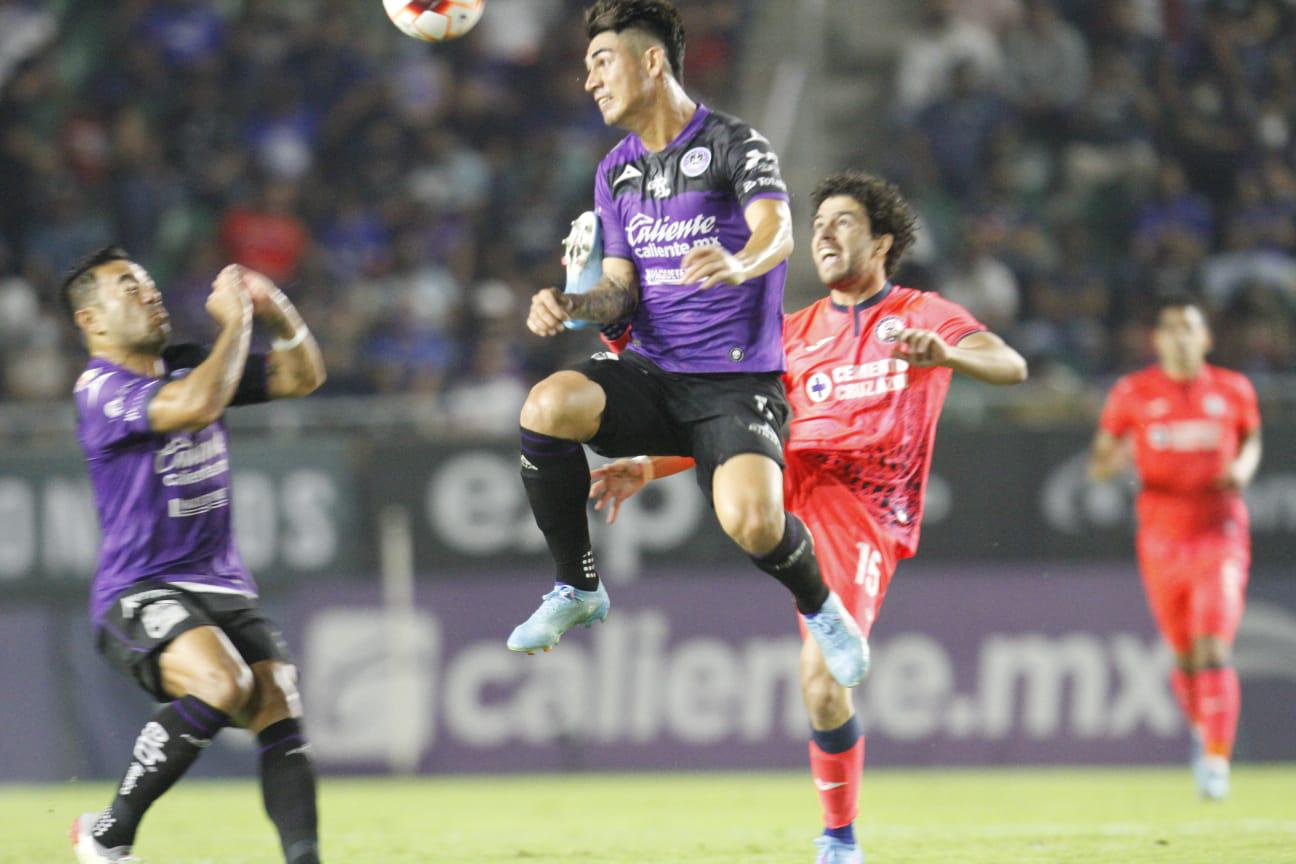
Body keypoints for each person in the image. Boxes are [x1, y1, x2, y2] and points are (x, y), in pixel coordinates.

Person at [588, 172, 1028, 864]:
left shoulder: (920, 313)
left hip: (862, 510)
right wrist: (648, 465)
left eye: (842, 222)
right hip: (793, 491)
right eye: (818, 224)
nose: (824, 233)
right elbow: (737, 423)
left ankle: (840, 840)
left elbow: (1009, 365)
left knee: (822, 687)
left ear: (882, 244)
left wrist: (946, 353)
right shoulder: (790, 334)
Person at [508, 0, 868, 689]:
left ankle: (822, 608)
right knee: (547, 406)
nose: (590, 80)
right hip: (651, 373)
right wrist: (572, 304)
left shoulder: (735, 143)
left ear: (651, 62)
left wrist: (738, 262)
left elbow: (778, 232)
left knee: (753, 522)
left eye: (602, 61)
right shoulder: (615, 171)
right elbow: (620, 289)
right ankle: (577, 586)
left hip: (736, 384)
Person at [61, 246, 327, 864]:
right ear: (91, 320)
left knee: (278, 696)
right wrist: (237, 323)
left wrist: (274, 308)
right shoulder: (100, 389)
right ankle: (108, 834)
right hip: (139, 589)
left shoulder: (186, 364)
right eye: (130, 288)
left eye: (150, 283)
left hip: (221, 584)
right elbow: (198, 405)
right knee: (221, 681)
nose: (150, 294)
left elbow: (302, 377)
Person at [1089, 297, 1261, 800]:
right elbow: (1100, 460)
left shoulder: (1234, 389)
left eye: (1190, 329)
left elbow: (1251, 440)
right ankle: (1202, 732)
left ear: (1205, 339)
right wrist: (1111, 461)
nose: (1181, 337)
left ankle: (1217, 759)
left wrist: (1243, 468)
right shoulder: (1132, 392)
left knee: (1213, 645)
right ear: (1158, 340)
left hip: (1219, 531)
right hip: (1161, 537)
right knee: (1184, 656)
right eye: (1171, 329)